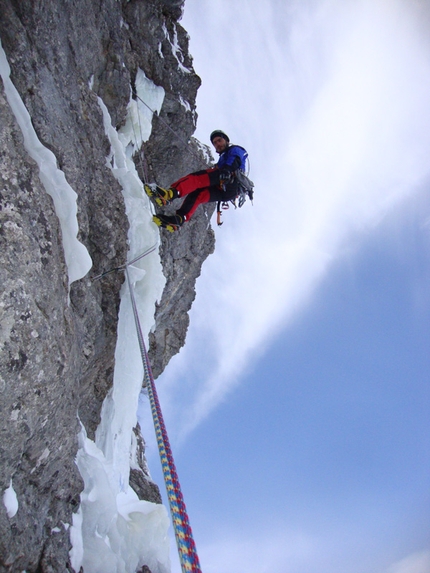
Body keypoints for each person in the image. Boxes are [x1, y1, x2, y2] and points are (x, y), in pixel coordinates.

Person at [144, 130, 248, 232]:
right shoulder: (224, 157)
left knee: (196, 179)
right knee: (198, 195)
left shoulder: (235, 149)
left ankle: (169, 194)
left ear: (226, 140)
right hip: (228, 192)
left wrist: (226, 170)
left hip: (229, 180)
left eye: (219, 140)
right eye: (215, 143)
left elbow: (235, 159)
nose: (217, 144)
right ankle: (179, 219)